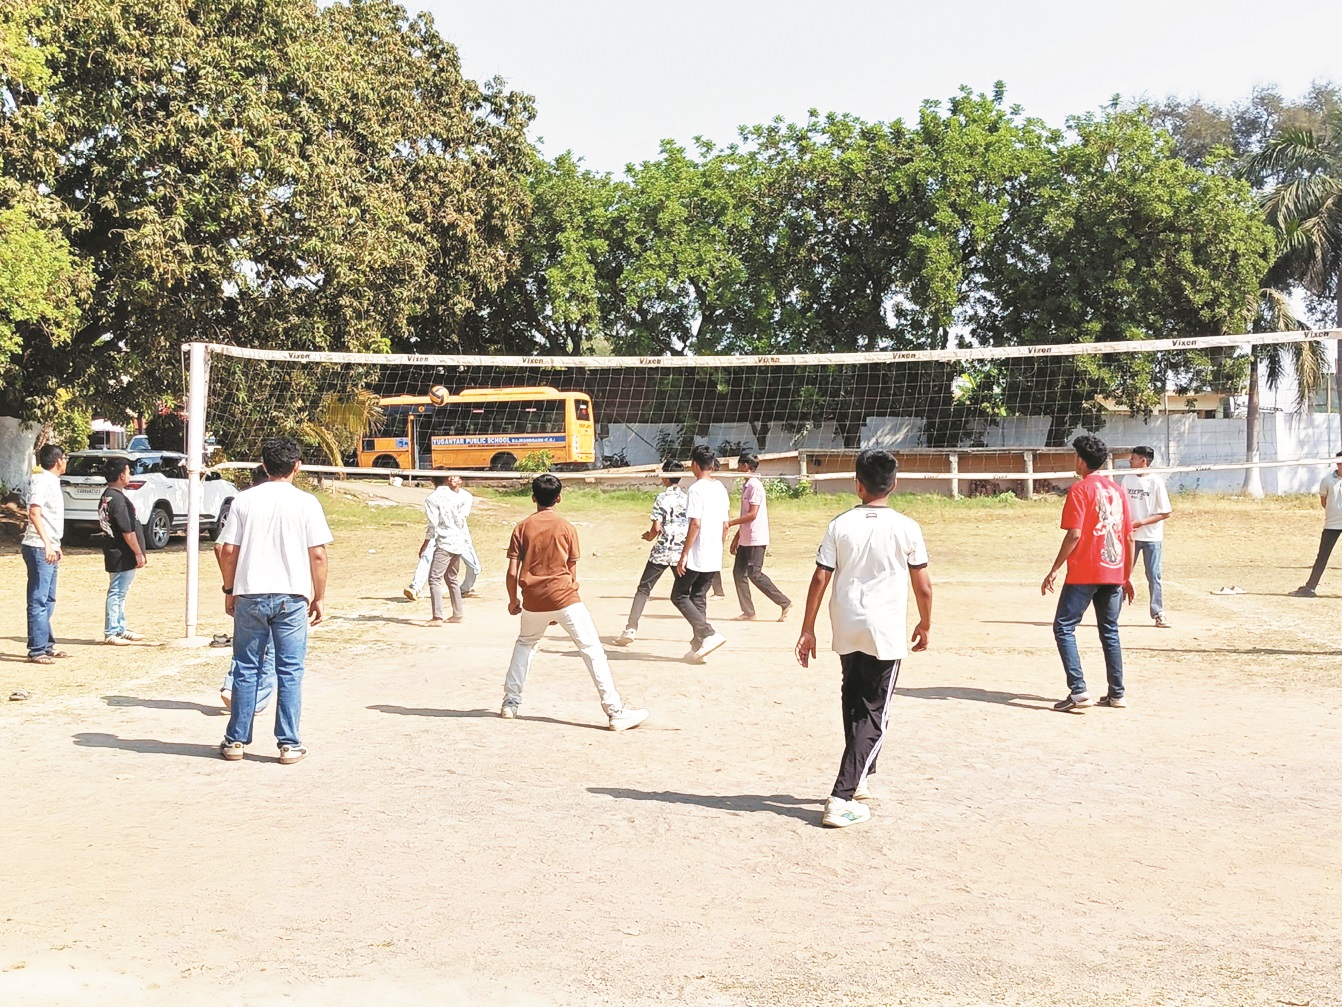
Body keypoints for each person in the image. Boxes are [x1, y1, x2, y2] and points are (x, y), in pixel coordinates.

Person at [795, 449, 932, 829]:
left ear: (858, 485)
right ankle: (841, 798)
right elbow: (923, 585)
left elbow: (820, 578)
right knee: (875, 712)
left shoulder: (840, 524)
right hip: (884, 630)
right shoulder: (907, 527)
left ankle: (861, 777)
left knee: (853, 698)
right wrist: (925, 623)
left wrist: (808, 628)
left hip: (847, 623)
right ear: (894, 484)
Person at [216, 438, 332, 764]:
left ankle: (236, 741)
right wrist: (319, 596)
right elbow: (318, 554)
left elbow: (228, 550)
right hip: (292, 595)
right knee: (290, 670)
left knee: (246, 667)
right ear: (297, 466)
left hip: (250, 592)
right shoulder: (307, 502)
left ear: (264, 466)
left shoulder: (243, 500)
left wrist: (229, 589)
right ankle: (289, 744)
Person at [502, 474, 648, 731]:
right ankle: (615, 711)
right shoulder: (567, 528)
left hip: (533, 600)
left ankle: (510, 703)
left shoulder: (522, 528)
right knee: (592, 649)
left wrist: (514, 599)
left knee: (525, 644)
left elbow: (513, 572)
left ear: (533, 498)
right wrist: (559, 606)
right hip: (565, 597)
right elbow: (571, 570)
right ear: (559, 498)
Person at [1042, 434, 1135, 712]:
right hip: (1114, 571)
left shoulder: (1080, 490)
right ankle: (1117, 694)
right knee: (1110, 631)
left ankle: (1079, 690)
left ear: (1081, 461)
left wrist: (1055, 568)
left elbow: (1074, 534)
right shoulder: (1117, 491)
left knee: (1063, 627)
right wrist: (1127, 575)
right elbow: (1129, 536)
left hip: (1086, 571)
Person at [218, 466, 275, 713]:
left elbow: (222, 548)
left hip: (247, 588)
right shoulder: (287, 504)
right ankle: (257, 700)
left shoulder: (243, 503)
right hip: (279, 588)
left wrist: (229, 584)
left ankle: (231, 686)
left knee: (245, 648)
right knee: (271, 650)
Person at [614, 461, 688, 647]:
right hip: (681, 552)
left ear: (665, 477)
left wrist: (649, 537)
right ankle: (701, 632)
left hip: (662, 550)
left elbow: (656, 527)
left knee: (643, 589)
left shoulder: (662, 498)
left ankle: (631, 628)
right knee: (686, 594)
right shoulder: (687, 498)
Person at [673, 444, 731, 662]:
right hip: (714, 552)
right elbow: (725, 524)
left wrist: (684, 554)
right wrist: (719, 546)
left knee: (679, 595)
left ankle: (708, 634)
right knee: (698, 596)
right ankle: (700, 647)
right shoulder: (720, 488)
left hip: (698, 552)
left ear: (694, 465)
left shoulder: (696, 489)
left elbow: (695, 523)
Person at [727, 452, 792, 621]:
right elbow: (746, 514)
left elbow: (752, 514)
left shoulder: (754, 486)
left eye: (739, 465)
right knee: (738, 573)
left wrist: (729, 523)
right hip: (746, 538)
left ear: (745, 466)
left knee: (754, 574)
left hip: (756, 538)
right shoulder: (747, 485)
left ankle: (784, 602)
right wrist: (737, 537)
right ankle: (748, 612)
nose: (738, 469)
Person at [22, 444, 68, 665]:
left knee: (49, 598)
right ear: (58, 460)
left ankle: (47, 645)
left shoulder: (53, 481)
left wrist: (55, 544)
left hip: (50, 546)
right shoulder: (42, 481)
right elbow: (34, 512)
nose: (66, 461)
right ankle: (37, 649)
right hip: (38, 546)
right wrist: (47, 544)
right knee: (38, 599)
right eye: (65, 457)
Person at [1120, 445, 1172, 627]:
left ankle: (1158, 613)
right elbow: (1122, 505)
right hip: (1130, 537)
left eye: (1133, 458)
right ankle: (1112, 612)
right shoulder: (1127, 479)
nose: (1130, 461)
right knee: (1121, 574)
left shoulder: (1156, 481)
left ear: (1143, 461)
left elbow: (1165, 512)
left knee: (1153, 576)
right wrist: (1126, 524)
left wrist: (1141, 522)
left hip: (1151, 537)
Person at [97, 457, 147, 645]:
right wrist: (138, 552)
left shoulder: (109, 495)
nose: (130, 475)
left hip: (116, 550)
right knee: (117, 591)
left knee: (121, 592)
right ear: (121, 475)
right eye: (128, 471)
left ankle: (120, 627)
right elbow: (127, 530)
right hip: (120, 552)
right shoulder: (117, 499)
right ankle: (111, 631)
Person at [405, 475, 480, 600]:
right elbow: (433, 523)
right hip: (439, 534)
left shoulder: (465, 496)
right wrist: (427, 541)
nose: (452, 480)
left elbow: (461, 517)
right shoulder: (434, 498)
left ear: (460, 481)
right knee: (427, 557)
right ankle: (415, 587)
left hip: (459, 536)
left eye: (455, 477)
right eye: (450, 478)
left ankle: (464, 589)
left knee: (474, 566)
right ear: (446, 480)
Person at [419, 469, 469, 625]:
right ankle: (458, 613)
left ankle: (437, 616)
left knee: (434, 578)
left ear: (432, 480)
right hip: (458, 541)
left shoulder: (432, 498)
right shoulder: (458, 496)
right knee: (451, 578)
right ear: (448, 479)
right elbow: (462, 519)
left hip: (445, 542)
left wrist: (425, 544)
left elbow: (432, 524)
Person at [1291, 451, 1342, 598]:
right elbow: (1324, 502)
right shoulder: (1327, 480)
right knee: (1322, 556)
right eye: (1339, 462)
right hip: (1332, 524)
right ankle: (1310, 587)